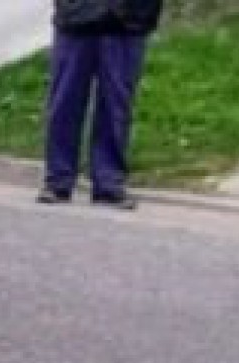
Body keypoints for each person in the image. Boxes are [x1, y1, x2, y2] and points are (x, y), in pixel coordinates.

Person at [41, 0, 165, 209]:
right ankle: (58, 179)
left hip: (128, 20)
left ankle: (108, 181)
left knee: (116, 105)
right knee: (65, 102)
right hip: (77, 16)